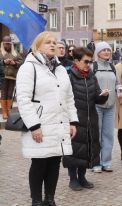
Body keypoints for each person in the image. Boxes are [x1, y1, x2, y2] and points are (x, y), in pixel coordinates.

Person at [16, 31, 78, 206]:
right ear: (37, 46)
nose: (53, 45)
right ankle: (36, 200)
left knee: (54, 162)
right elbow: (23, 99)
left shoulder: (60, 69)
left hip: (59, 124)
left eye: (54, 42)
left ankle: (49, 199)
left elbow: (69, 98)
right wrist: (34, 125)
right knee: (39, 163)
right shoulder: (29, 67)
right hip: (40, 124)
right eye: (48, 42)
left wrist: (72, 121)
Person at [67, 47, 109, 191]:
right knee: (74, 150)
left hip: (91, 119)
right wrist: (70, 120)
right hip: (75, 120)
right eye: (86, 61)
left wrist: (103, 95)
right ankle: (73, 179)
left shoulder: (91, 75)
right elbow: (65, 100)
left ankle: (82, 177)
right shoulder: (69, 76)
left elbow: (97, 98)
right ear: (76, 61)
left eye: (90, 62)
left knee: (87, 149)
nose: (88, 65)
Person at [91, 42, 119, 173]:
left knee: (108, 135)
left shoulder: (113, 67)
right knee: (96, 135)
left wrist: (120, 90)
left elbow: (117, 84)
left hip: (111, 105)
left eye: (109, 50)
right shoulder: (93, 67)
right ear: (98, 53)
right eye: (104, 50)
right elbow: (90, 85)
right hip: (97, 105)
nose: (107, 52)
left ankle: (106, 162)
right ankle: (95, 163)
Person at [0, 35, 23, 119]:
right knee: (3, 94)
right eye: (6, 44)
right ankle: (4, 112)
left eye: (9, 44)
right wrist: (3, 61)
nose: (7, 45)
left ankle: (9, 111)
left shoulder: (15, 52)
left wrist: (14, 63)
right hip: (2, 76)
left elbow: (21, 61)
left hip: (12, 76)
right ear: (3, 44)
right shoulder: (0, 52)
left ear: (11, 44)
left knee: (10, 94)